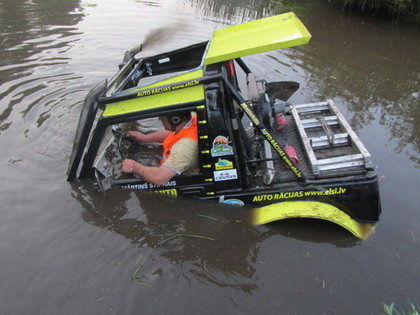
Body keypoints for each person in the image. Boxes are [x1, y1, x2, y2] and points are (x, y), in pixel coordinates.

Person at [122, 112, 199, 186]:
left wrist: (133, 166)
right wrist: (145, 138)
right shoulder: (191, 119)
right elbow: (172, 133)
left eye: (162, 116)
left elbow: (159, 178)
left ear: (175, 119)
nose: (159, 119)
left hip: (181, 178)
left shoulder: (185, 146)